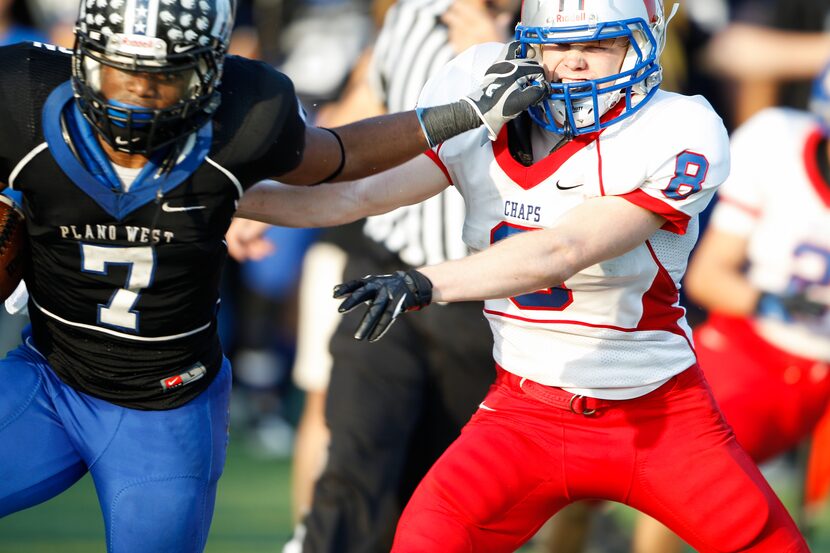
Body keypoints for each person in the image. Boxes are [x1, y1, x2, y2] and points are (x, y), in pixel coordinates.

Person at [235, 0, 811, 550]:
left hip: (659, 415)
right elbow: (353, 195)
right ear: (527, 47)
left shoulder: (677, 126)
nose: (575, 61)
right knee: (425, 539)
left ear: (644, 45)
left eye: (601, 43)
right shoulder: (480, 99)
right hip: (522, 415)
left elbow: (566, 247)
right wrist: (223, 197)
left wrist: (425, 282)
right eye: (557, 44)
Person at [0, 0, 548, 550]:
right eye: (119, 73)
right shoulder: (20, 94)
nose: (137, 96)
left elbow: (340, 157)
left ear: (211, 72)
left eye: (164, 80)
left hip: (164, 409)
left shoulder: (247, 114)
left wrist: (463, 114)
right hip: (49, 377)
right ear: (80, 58)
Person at [632, 59, 830, 553]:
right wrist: (776, 303)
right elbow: (707, 277)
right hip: (758, 351)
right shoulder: (777, 144)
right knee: (687, 472)